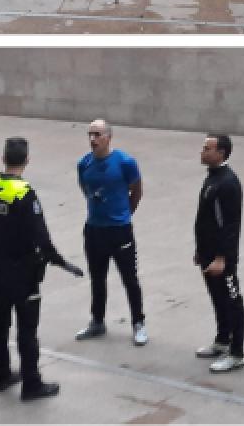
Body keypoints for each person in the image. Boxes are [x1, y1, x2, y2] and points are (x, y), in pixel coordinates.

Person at [0, 137, 84, 401]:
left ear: (3, 159)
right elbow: (41, 238)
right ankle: (32, 384)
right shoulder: (24, 193)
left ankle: (1, 376)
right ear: (27, 161)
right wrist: (59, 261)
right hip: (23, 272)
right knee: (26, 329)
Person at [74, 119, 148, 346]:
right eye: (90, 135)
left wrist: (125, 214)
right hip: (94, 231)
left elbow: (137, 190)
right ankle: (97, 321)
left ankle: (138, 323)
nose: (92, 139)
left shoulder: (126, 162)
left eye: (97, 134)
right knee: (97, 278)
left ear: (108, 137)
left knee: (129, 278)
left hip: (120, 231)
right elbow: (84, 189)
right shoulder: (83, 164)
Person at [193, 134, 244, 373]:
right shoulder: (213, 178)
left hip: (222, 258)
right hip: (208, 254)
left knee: (232, 301)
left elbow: (230, 226)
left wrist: (222, 258)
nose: (202, 152)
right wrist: (200, 250)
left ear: (221, 153)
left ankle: (236, 353)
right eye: (203, 148)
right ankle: (222, 340)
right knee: (217, 299)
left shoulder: (228, 183)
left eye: (207, 149)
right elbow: (206, 220)